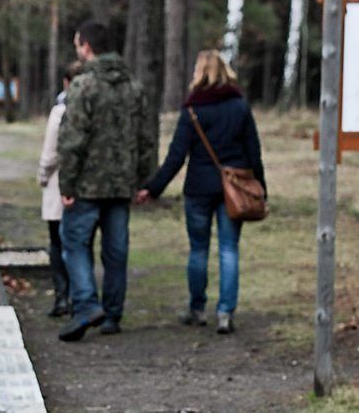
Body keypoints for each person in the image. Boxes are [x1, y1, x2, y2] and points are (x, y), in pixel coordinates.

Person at [136, 50, 267, 334]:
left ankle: (197, 309)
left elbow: (175, 157)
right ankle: (225, 313)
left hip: (198, 189)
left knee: (198, 250)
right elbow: (254, 153)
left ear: (199, 72)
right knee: (229, 249)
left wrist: (152, 188)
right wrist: (260, 189)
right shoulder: (239, 106)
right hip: (234, 188)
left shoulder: (193, 109)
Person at [56, 20, 155, 341]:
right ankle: (112, 313)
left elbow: (72, 140)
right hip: (122, 183)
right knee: (116, 250)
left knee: (74, 242)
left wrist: (66, 184)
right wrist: (143, 179)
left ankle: (86, 304)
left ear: (86, 46)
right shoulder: (134, 88)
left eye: (77, 45)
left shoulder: (83, 87)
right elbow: (146, 138)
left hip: (87, 184)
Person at [38, 61, 83, 318]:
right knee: (78, 243)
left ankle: (61, 297)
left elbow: (49, 153)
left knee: (57, 242)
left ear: (66, 82)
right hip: (84, 187)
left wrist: (42, 176)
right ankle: (79, 296)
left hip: (58, 184)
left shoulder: (60, 111)